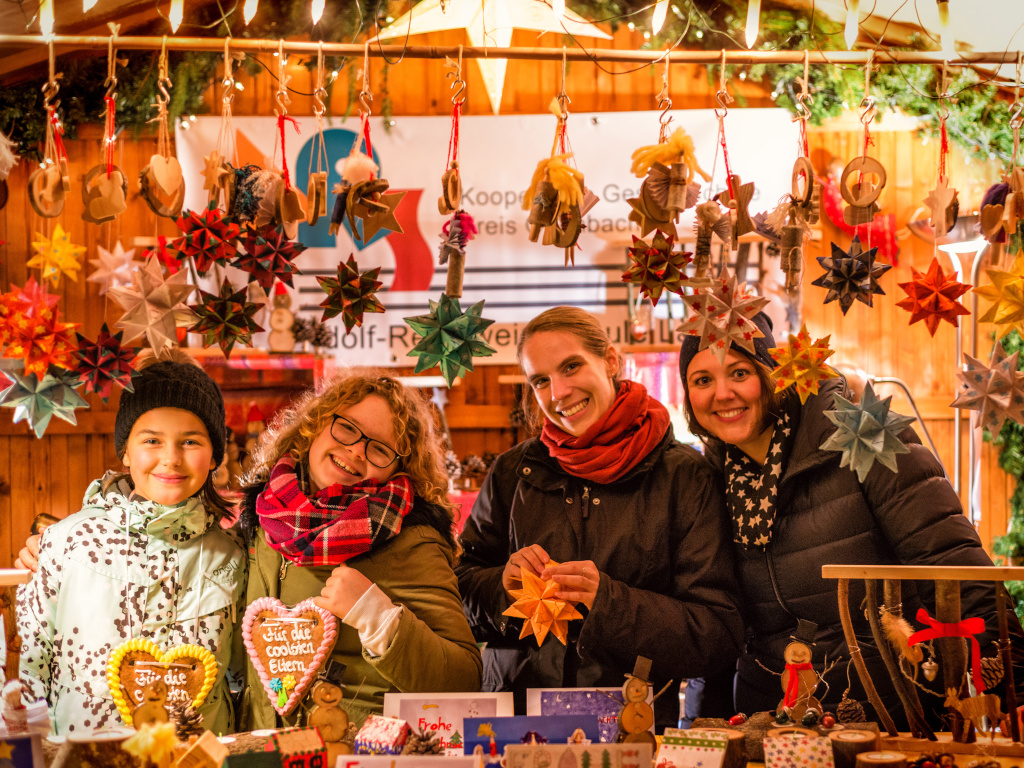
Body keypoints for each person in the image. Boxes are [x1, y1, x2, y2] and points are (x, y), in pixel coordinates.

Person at [678, 311, 1024, 724]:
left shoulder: (865, 432)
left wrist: (1013, 686)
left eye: (739, 372)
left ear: (773, 374)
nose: (722, 394)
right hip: (772, 724)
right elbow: (718, 622)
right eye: (702, 380)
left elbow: (952, 564)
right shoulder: (710, 478)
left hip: (892, 717)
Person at [456, 306, 744, 729]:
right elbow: (459, 591)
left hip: (632, 727)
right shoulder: (512, 472)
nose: (558, 392)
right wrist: (502, 584)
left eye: (571, 366)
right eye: (540, 380)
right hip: (517, 727)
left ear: (611, 360)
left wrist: (605, 602)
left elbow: (715, 633)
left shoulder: (685, 475)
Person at [17, 349, 246, 734]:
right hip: (86, 758)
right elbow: (32, 669)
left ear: (214, 455)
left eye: (190, 442)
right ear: (125, 451)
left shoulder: (234, 553)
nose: (171, 458)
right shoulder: (68, 542)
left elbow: (242, 679)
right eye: (152, 440)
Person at [237, 371, 482, 728]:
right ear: (316, 425)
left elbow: (464, 680)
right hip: (264, 751)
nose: (356, 450)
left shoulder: (411, 541)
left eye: (380, 448)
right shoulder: (264, 519)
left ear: (399, 470)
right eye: (348, 428)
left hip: (356, 751)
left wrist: (377, 617)